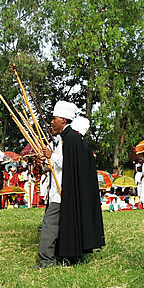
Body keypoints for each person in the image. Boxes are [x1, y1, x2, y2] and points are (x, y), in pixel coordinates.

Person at [33, 101, 104, 268]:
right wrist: (45, 162)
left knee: (49, 226)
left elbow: (71, 164)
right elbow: (59, 165)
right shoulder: (63, 139)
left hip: (63, 191)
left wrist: (51, 156)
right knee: (59, 225)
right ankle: (65, 256)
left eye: (55, 118)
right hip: (59, 190)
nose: (52, 121)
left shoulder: (71, 139)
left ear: (63, 120)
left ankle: (47, 260)